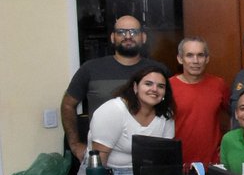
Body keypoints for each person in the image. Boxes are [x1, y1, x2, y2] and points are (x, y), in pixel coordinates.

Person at [62, 14, 167, 162]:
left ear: (143, 37)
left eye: (134, 32)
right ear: (112, 38)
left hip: (146, 160)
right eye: (121, 32)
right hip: (99, 159)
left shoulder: (157, 71)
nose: (128, 36)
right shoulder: (91, 69)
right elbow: (68, 104)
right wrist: (74, 144)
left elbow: (168, 108)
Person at [83, 64, 176, 175]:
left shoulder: (166, 115)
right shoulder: (114, 110)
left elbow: (163, 157)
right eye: (148, 84)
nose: (154, 89)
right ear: (135, 87)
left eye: (161, 86)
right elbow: (99, 159)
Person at [170, 36, 229, 165]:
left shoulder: (219, 84)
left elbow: (235, 116)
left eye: (200, 55)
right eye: (189, 55)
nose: (195, 61)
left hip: (212, 163)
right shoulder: (168, 87)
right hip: (178, 164)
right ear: (180, 59)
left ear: (207, 59)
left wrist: (226, 145)